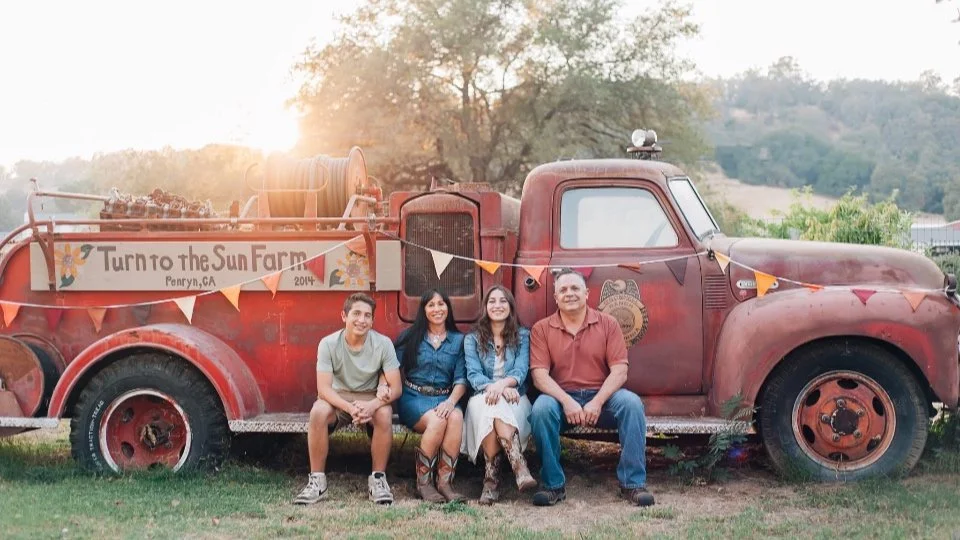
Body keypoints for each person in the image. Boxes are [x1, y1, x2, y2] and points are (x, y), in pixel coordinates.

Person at [528, 269, 655, 507]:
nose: (569, 294)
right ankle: (553, 485)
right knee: (541, 409)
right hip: (561, 400)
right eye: (563, 290)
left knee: (631, 404)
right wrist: (567, 401)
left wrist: (597, 401)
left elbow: (620, 371)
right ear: (555, 297)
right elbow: (539, 376)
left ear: (587, 294)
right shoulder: (542, 329)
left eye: (575, 288)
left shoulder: (608, 324)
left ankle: (633, 484)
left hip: (603, 398)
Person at [294, 293, 402, 506]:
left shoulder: (383, 344)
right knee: (318, 412)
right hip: (338, 396)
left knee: (384, 412)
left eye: (367, 316)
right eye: (356, 314)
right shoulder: (328, 343)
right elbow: (323, 388)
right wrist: (349, 408)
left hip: (369, 396)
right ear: (344, 316)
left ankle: (378, 480)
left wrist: (372, 405)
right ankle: (317, 481)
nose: (362, 320)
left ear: (372, 321)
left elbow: (396, 388)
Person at [463, 286, 536, 505]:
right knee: (490, 406)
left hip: (516, 396)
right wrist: (495, 388)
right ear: (485, 307)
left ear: (511, 307)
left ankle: (491, 481)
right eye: (492, 301)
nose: (497, 306)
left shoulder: (523, 335)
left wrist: (503, 386)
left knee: (494, 409)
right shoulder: (472, 339)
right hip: (482, 395)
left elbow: (521, 370)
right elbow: (474, 375)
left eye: (503, 301)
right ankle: (519, 467)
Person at [394, 289, 468, 503]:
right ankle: (423, 484)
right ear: (424, 310)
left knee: (455, 417)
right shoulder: (411, 336)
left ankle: (445, 483)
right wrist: (384, 386)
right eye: (431, 305)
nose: (437, 309)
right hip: (413, 396)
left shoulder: (458, 341)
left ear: (448, 308)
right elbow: (391, 366)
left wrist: (451, 402)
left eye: (441, 304)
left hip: (446, 397)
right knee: (438, 421)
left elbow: (461, 379)